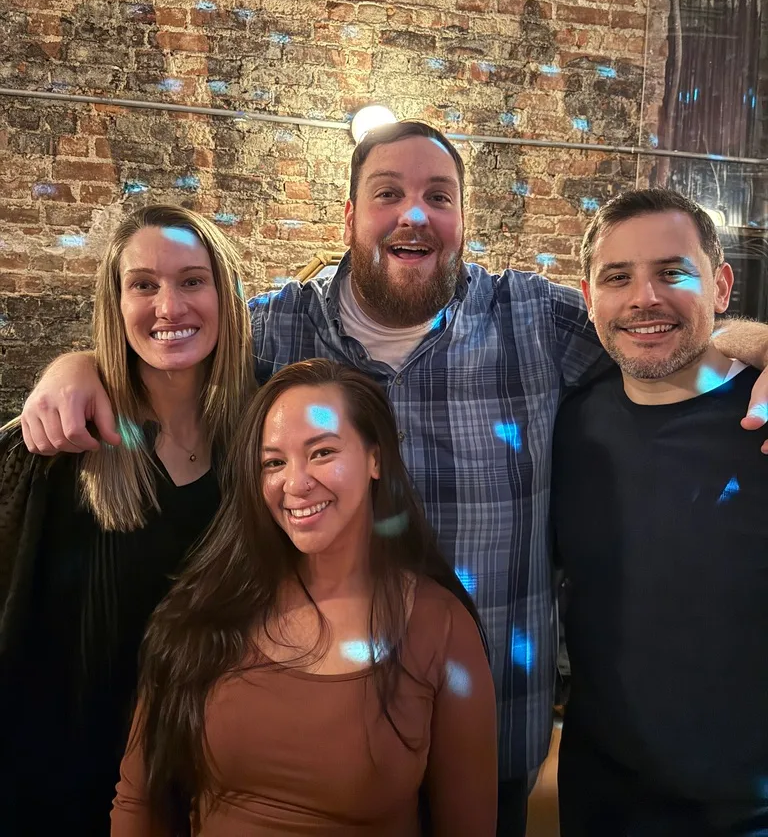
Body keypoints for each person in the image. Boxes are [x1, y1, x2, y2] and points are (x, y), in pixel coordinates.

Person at [19, 123, 768, 836]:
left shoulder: (536, 320)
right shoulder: (278, 330)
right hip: (324, 734)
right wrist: (77, 367)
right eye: (388, 194)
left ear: (464, 218)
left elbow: (654, 332)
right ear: (349, 214)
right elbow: (174, 332)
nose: (415, 214)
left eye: (439, 196)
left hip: (500, 733)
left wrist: (757, 343)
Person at [110, 358, 497, 836]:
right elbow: (138, 801)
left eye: (321, 453)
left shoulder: (440, 626)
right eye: (273, 462)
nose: (294, 484)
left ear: (375, 457)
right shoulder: (207, 605)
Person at [0, 205, 252, 834]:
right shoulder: (56, 447)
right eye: (143, 284)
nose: (169, 307)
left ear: (226, 295)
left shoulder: (263, 444)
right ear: (115, 304)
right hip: (64, 782)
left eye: (192, 280)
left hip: (210, 775)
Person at [552, 188, 768, 836]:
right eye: (618, 277)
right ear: (588, 300)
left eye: (673, 272)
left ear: (721, 286)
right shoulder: (570, 424)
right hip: (598, 799)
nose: (644, 297)